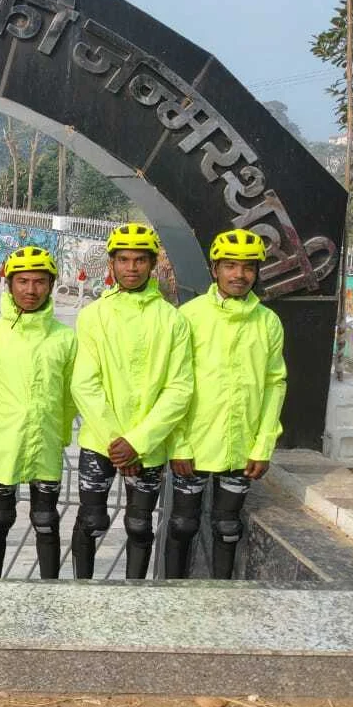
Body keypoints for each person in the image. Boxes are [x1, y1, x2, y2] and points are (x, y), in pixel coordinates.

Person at [69, 222, 192, 580]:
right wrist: (117, 442)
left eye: (140, 260)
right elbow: (84, 383)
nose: (131, 268)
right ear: (111, 263)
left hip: (148, 446)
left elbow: (180, 388)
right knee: (90, 521)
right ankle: (79, 594)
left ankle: (134, 596)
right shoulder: (93, 315)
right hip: (101, 441)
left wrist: (137, 442)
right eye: (123, 260)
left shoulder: (173, 320)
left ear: (152, 263)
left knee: (139, 525)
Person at [165, 229, 286, 579]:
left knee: (228, 527)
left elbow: (274, 384)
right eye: (230, 266)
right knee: (183, 525)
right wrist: (179, 443)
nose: (239, 275)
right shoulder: (189, 316)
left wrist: (263, 445)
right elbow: (174, 384)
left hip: (241, 447)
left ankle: (224, 598)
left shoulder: (268, 322)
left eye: (248, 267)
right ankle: (168, 597)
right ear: (215, 269)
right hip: (193, 444)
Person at [0, 246, 76, 579]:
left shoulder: (65, 339)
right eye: (22, 281)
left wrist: (60, 433)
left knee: (46, 520)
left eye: (39, 282)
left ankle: (49, 591)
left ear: (51, 285)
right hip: (4, 445)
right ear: (9, 284)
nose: (31, 290)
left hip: (46, 444)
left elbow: (70, 397)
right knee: (0, 518)